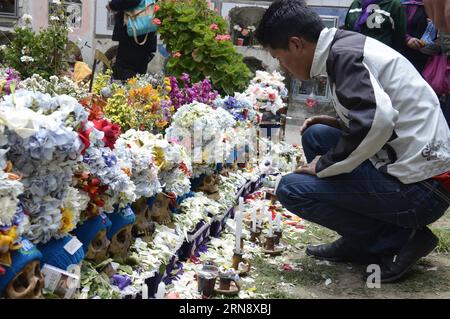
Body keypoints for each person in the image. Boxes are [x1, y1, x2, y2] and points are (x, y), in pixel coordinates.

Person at [256, 0, 450, 283]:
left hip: (422, 192)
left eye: (279, 57)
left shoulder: (345, 56)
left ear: (296, 44)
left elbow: (377, 121)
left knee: (292, 189)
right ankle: (360, 239)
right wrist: (338, 123)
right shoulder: (344, 47)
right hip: (416, 174)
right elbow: (382, 112)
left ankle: (400, 238)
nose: (282, 66)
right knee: (317, 135)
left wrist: (325, 164)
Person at [107, 0, 157, 80]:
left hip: (133, 36)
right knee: (137, 74)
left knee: (125, 73)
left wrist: (112, 5)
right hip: (144, 31)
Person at [401, 0, 436, 73]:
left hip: (431, 59)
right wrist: (407, 39)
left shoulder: (439, 6)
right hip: (406, 56)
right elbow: (398, 27)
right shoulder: (406, 5)